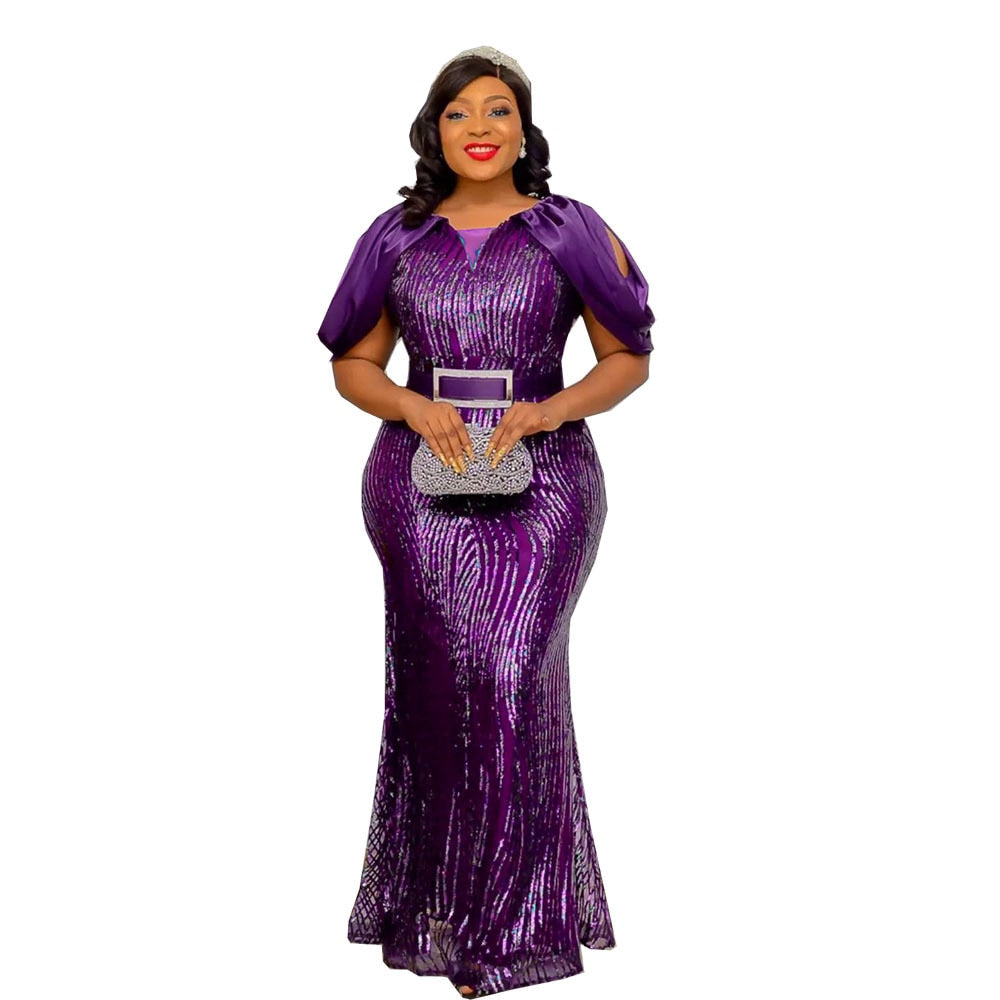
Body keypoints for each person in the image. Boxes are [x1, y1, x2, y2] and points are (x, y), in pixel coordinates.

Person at [315, 45, 655, 999]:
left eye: (498, 109)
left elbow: (628, 357)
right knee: (438, 691)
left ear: (523, 129)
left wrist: (552, 410)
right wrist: (409, 404)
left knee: (511, 677)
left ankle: (510, 931)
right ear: (435, 131)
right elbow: (352, 364)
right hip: (419, 486)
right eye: (459, 111)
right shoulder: (396, 237)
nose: (479, 126)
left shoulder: (569, 230)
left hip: (543, 483)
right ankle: (443, 918)